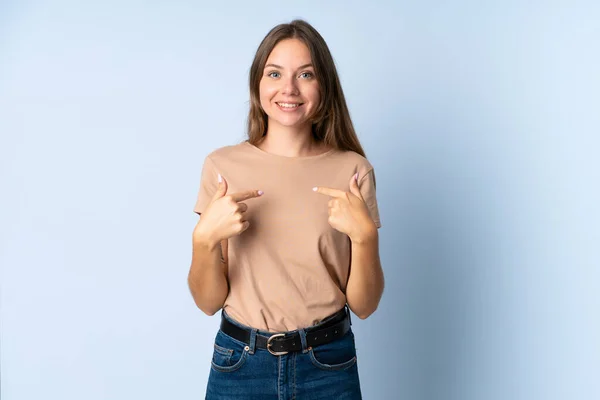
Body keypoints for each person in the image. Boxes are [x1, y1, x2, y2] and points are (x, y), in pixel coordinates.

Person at [188, 19, 384, 400]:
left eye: (305, 74)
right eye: (275, 73)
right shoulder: (222, 167)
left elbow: (365, 305)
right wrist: (204, 241)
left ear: (323, 85)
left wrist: (365, 237)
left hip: (329, 364)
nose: (288, 88)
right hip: (241, 363)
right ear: (257, 84)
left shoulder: (353, 171)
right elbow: (208, 301)